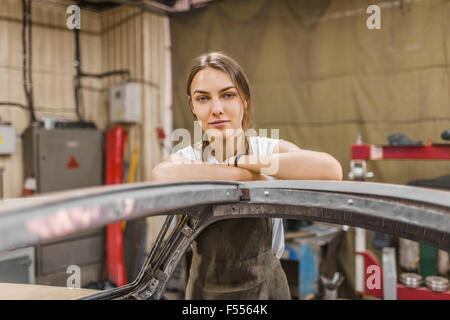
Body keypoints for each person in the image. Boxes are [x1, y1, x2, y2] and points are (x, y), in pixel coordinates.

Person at [151, 52, 343, 300]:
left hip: (268, 289)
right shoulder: (189, 156)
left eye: (228, 95)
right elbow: (161, 175)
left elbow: (330, 170)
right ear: (193, 107)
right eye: (203, 98)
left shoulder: (266, 150)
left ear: (245, 99)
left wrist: (248, 161)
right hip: (205, 292)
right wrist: (247, 175)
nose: (216, 109)